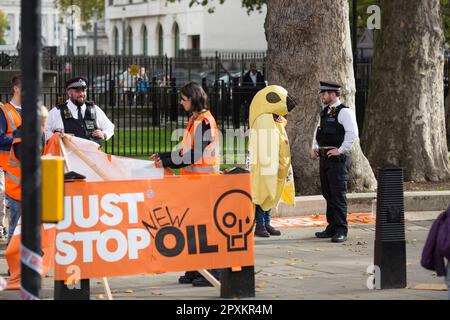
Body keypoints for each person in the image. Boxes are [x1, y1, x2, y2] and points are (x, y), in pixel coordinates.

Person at [151, 81, 221, 286]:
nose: (181, 103)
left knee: (204, 229)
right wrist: (164, 156)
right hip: (194, 183)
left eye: (183, 99)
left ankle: (213, 272)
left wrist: (166, 161)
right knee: (192, 227)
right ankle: (195, 269)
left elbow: (195, 154)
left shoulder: (205, 121)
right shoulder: (195, 119)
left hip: (205, 183)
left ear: (192, 99)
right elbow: (184, 150)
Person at [309, 81, 359, 243]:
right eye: (322, 93)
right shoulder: (324, 112)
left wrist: (340, 149)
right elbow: (318, 132)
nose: (322, 96)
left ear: (333, 94)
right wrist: (314, 147)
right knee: (328, 194)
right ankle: (331, 227)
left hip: (337, 161)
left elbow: (352, 134)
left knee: (338, 195)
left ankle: (341, 229)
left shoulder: (344, 112)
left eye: (324, 94)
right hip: (324, 159)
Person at [3, 105, 48, 244]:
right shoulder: (21, 136)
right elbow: (27, 158)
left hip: (28, 190)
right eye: (41, 124)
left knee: (28, 229)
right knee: (16, 230)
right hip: (17, 191)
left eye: (44, 124)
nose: (43, 127)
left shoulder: (38, 135)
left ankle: (23, 260)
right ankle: (13, 261)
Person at [45, 76, 115, 145]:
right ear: (69, 93)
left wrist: (104, 134)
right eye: (77, 91)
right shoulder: (58, 111)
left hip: (91, 155)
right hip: (68, 155)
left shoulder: (94, 109)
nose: (81, 94)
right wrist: (57, 137)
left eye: (83, 91)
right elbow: (43, 130)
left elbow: (109, 127)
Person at [0, 75, 22, 241]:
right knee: (12, 215)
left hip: (25, 172)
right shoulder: (4, 111)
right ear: (16, 88)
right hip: (7, 170)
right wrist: (21, 139)